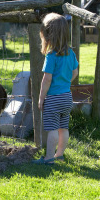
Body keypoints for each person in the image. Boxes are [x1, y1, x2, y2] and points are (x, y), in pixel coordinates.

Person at [32, 13, 79, 165]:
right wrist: (65, 83)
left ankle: (49, 158)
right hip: (67, 96)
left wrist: (41, 98)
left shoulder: (51, 56)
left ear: (47, 35)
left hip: (53, 98)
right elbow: (75, 72)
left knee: (52, 129)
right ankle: (60, 155)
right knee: (63, 128)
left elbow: (47, 79)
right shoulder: (70, 53)